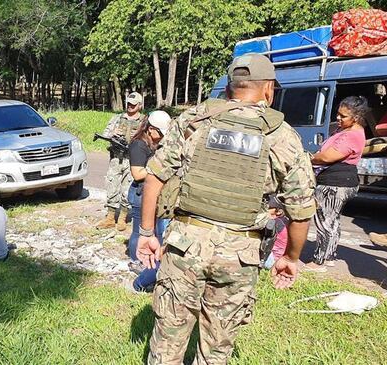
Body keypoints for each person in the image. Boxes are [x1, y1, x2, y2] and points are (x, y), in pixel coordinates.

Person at [136, 53, 316, 364]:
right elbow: (300, 209)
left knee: (167, 342)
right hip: (241, 251)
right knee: (217, 347)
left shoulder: (193, 121)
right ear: (269, 89)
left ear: (230, 88)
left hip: (184, 245)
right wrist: (290, 257)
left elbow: (154, 177)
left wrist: (147, 232)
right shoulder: (282, 137)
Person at [304, 96, 368, 272]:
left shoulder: (353, 135)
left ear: (355, 117)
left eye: (343, 116)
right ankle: (329, 256)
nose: (338, 118)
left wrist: (309, 157)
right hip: (337, 181)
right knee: (332, 220)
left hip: (336, 183)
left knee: (325, 220)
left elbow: (327, 157)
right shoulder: (344, 130)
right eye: (338, 114)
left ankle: (319, 261)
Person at [124, 111, 171, 293]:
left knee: (155, 231)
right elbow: (137, 173)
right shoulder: (138, 145)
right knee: (140, 231)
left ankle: (148, 265)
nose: (161, 137)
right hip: (139, 193)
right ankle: (138, 262)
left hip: (151, 193)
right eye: (160, 133)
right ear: (151, 129)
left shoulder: (155, 144)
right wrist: (159, 170)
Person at [96, 92, 145, 231]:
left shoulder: (144, 122)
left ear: (140, 105)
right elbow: (105, 134)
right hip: (116, 159)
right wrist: (113, 133)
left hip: (133, 160)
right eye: (128, 103)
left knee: (127, 188)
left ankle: (123, 218)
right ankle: (110, 218)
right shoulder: (117, 119)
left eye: (133, 104)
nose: (130, 106)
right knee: (112, 185)